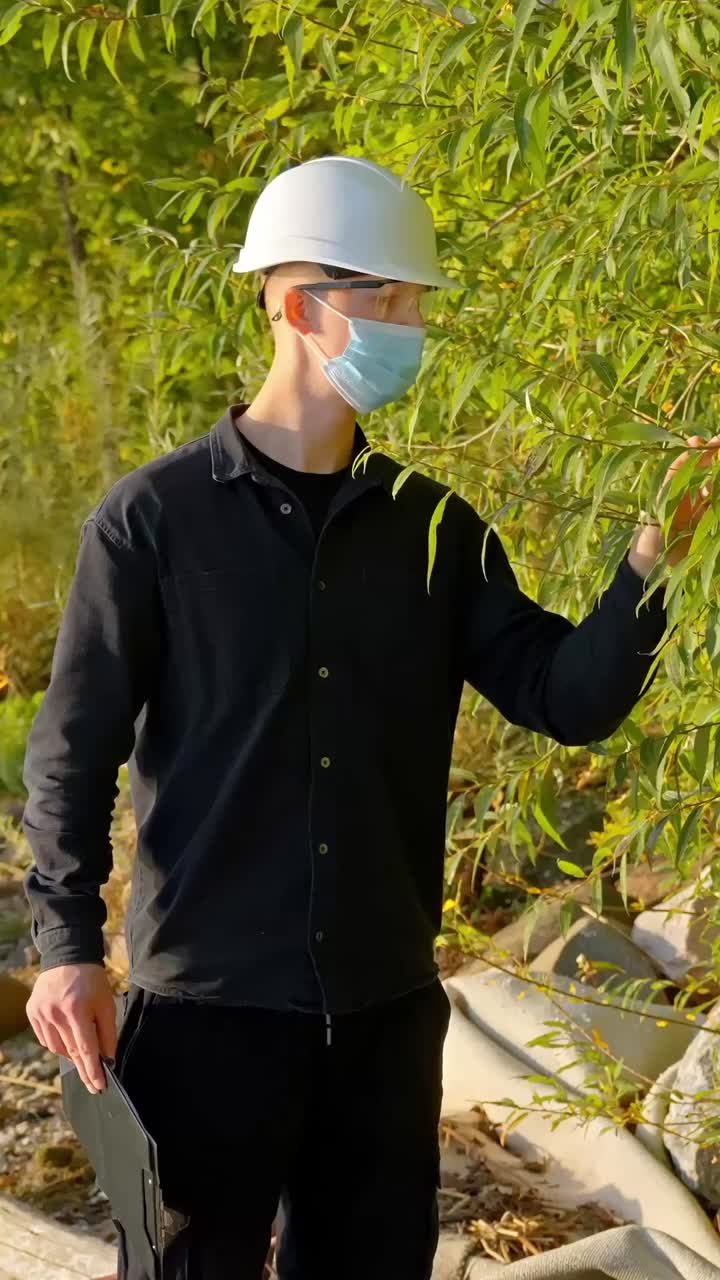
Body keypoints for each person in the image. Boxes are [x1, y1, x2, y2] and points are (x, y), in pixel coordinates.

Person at [21, 154, 670, 1280]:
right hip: (207, 1015)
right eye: (390, 298)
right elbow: (71, 754)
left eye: (416, 302)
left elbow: (567, 697)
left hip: (383, 1017)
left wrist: (654, 565)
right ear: (296, 304)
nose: (411, 326)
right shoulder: (150, 524)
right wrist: (66, 948)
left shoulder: (437, 531)